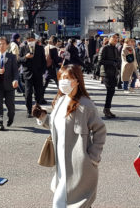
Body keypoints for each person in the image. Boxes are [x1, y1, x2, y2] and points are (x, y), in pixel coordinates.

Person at [33, 64, 107, 208]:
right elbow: (58, 126)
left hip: (79, 166)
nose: (63, 81)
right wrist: (42, 117)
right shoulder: (61, 100)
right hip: (62, 163)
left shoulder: (85, 105)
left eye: (67, 78)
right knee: (72, 203)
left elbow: (100, 130)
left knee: (64, 203)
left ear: (77, 80)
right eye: (61, 77)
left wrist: (93, 158)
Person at [0, 36, 19, 131]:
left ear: (7, 45)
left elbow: (15, 71)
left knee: (10, 105)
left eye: (3, 44)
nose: (1, 46)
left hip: (10, 85)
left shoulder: (12, 57)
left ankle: (11, 117)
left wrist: (16, 80)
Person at [20, 33, 46, 117]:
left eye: (31, 40)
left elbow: (43, 61)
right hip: (27, 73)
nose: (30, 41)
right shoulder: (23, 48)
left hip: (38, 73)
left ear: (35, 40)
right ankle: (29, 110)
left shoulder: (40, 48)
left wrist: (42, 71)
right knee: (28, 93)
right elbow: (19, 60)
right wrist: (26, 57)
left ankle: (37, 107)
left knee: (38, 92)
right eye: (28, 40)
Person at [97, 33, 121, 119]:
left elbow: (118, 59)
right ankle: (106, 109)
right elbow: (100, 60)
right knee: (110, 91)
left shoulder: (115, 48)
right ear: (109, 38)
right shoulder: (105, 48)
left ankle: (107, 109)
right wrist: (112, 62)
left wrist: (118, 63)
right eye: (114, 38)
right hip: (106, 72)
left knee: (111, 91)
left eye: (117, 38)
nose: (115, 39)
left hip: (114, 72)